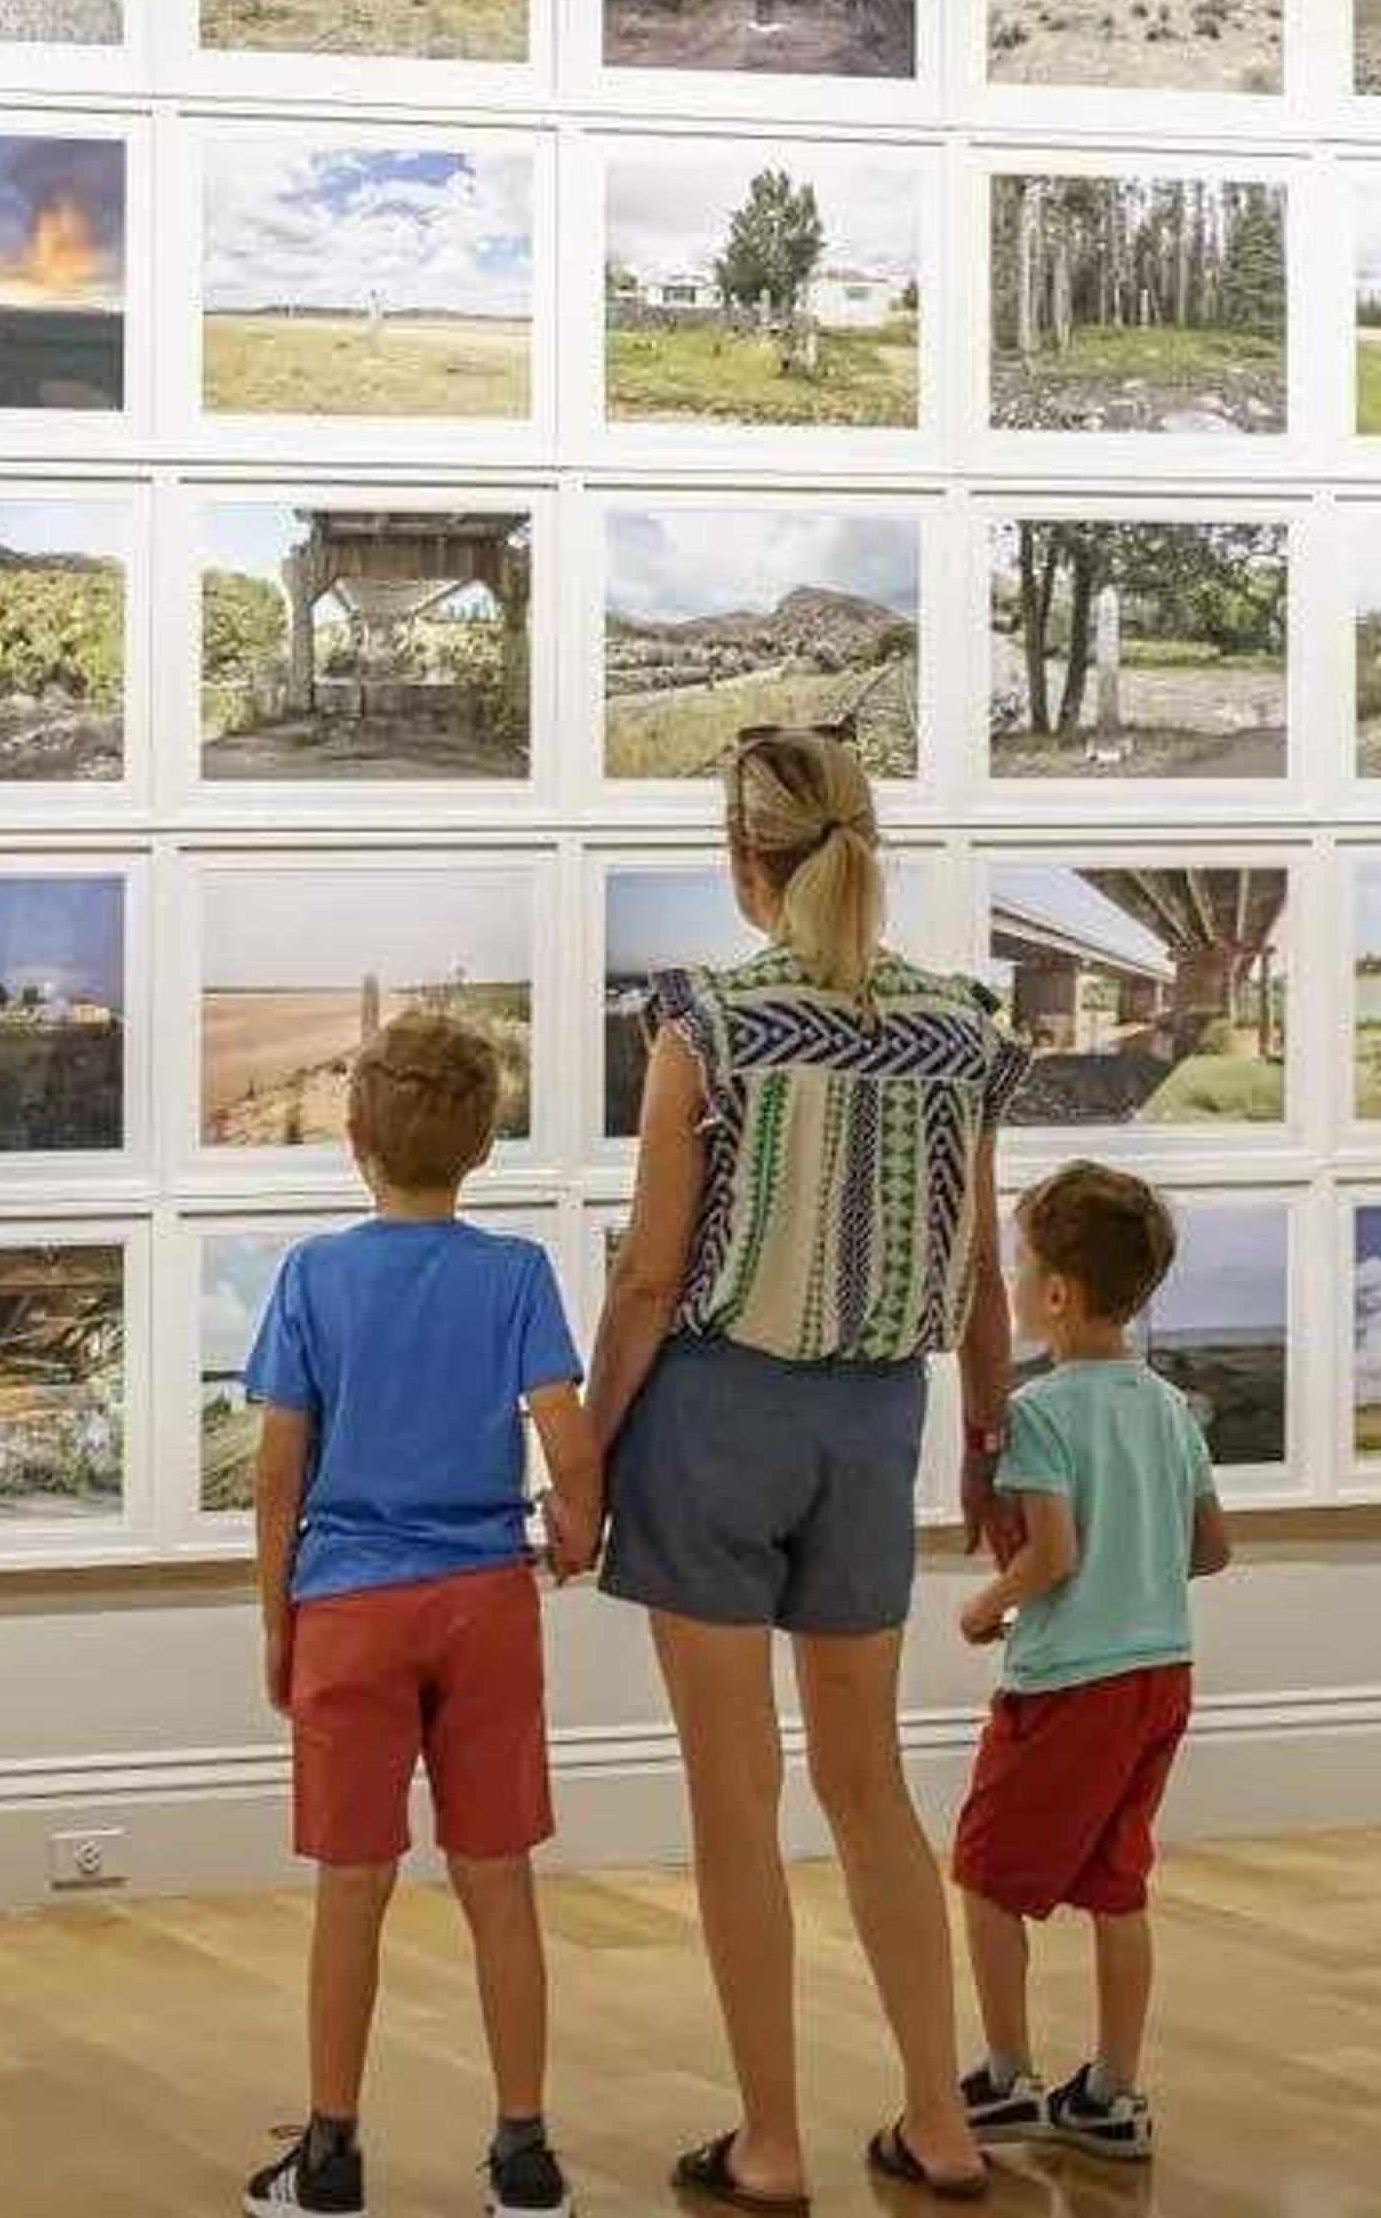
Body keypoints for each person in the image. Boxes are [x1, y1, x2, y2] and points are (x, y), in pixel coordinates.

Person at [585, 726, 1030, 2211]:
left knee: (736, 1795)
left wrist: (587, 1454)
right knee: (869, 1782)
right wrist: (990, 1439)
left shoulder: (709, 1022)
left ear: (742, 857)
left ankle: (769, 2142)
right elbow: (979, 1277)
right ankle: (942, 2123)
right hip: (874, 1426)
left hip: (716, 1415)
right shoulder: (961, 1029)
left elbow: (651, 1278)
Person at [242, 1011, 605, 2218]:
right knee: (499, 1878)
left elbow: (279, 1472)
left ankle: (331, 2153)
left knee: (353, 1884)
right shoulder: (515, 1274)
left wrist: (279, 1619)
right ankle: (525, 2152)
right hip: (486, 1601)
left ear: (355, 1137)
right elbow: (568, 1441)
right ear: (484, 1145)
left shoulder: (313, 1274)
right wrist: (575, 1528)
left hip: (349, 1601)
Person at [949, 1162, 1233, 2164]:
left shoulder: (1040, 1412)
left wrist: (986, 1604)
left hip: (1070, 1683)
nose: (1017, 1283)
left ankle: (1005, 2076)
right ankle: (1112, 2091)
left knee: (987, 1875)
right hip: (1163, 1674)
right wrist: (1139, 1568)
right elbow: (1212, 1548)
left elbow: (1053, 1554)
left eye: (1022, 1265)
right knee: (1117, 1884)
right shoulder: (1168, 1405)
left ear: (1058, 1293)